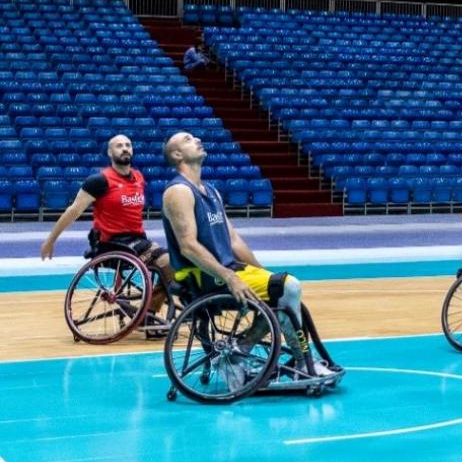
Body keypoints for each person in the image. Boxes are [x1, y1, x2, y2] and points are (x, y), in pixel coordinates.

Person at [160, 131, 334, 376]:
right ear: (177, 155)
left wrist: (264, 274)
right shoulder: (178, 192)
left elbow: (233, 240)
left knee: (281, 289)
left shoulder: (211, 191)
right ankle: (302, 362)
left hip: (226, 271)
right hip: (204, 277)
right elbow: (188, 246)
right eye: (188, 140)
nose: (198, 139)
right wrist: (230, 278)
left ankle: (239, 351)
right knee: (289, 288)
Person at [40, 134, 174, 317]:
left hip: (138, 241)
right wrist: (50, 240)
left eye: (128, 145)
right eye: (119, 146)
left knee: (175, 265)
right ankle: (148, 314)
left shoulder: (138, 177)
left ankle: (148, 312)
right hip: (112, 243)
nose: (125, 148)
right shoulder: (99, 181)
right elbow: (73, 211)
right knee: (169, 263)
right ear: (110, 152)